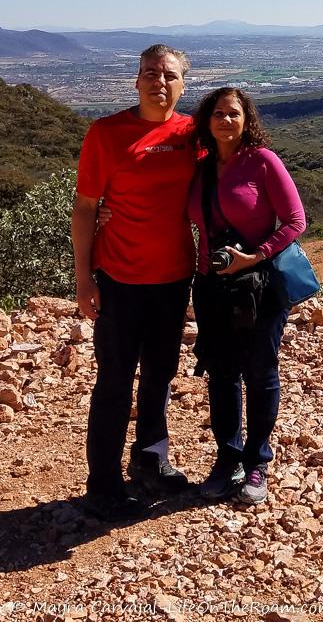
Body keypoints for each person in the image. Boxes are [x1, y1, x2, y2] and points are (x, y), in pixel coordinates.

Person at [72, 44, 197, 521]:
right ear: (136, 80)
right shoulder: (106, 133)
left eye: (168, 75)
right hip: (120, 278)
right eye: (149, 73)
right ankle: (101, 483)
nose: (158, 82)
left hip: (173, 278)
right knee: (115, 381)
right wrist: (84, 278)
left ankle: (150, 459)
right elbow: (85, 208)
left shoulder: (192, 134)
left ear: (182, 84)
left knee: (161, 375)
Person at [188, 87, 306, 505]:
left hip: (258, 287)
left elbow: (295, 221)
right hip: (210, 284)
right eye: (217, 113)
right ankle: (227, 457)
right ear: (206, 120)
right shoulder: (200, 167)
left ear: (246, 119)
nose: (225, 120)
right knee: (221, 372)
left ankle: (257, 461)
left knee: (259, 372)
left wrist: (254, 256)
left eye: (233, 113)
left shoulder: (262, 161)